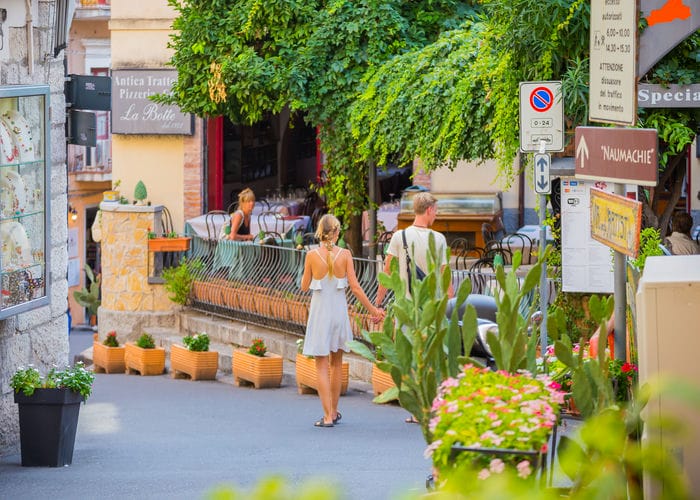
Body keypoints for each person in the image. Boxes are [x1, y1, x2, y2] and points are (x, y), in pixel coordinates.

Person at [374, 192, 453, 423]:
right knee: (431, 355)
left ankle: (416, 408)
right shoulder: (439, 239)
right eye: (436, 211)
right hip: (431, 307)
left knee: (410, 357)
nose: (436, 215)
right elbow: (444, 273)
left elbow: (387, 271)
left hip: (406, 308)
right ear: (428, 210)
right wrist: (449, 298)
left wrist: (378, 302)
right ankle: (430, 405)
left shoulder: (399, 237)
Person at [300, 214, 384, 427]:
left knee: (321, 365)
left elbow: (303, 285)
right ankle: (334, 411)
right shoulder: (346, 255)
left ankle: (327, 416)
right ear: (337, 233)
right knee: (336, 363)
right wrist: (373, 309)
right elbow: (355, 288)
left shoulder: (311, 255)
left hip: (320, 314)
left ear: (320, 231)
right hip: (338, 314)